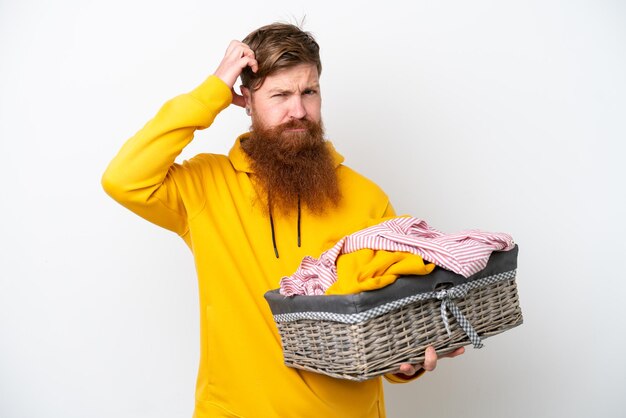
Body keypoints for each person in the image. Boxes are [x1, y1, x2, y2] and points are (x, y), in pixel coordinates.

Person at [101, 22, 463, 418]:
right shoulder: (205, 187)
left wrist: (405, 365)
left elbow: (388, 323)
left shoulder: (367, 198)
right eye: (280, 95)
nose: (299, 111)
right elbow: (124, 179)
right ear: (246, 100)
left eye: (309, 92)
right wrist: (212, 92)